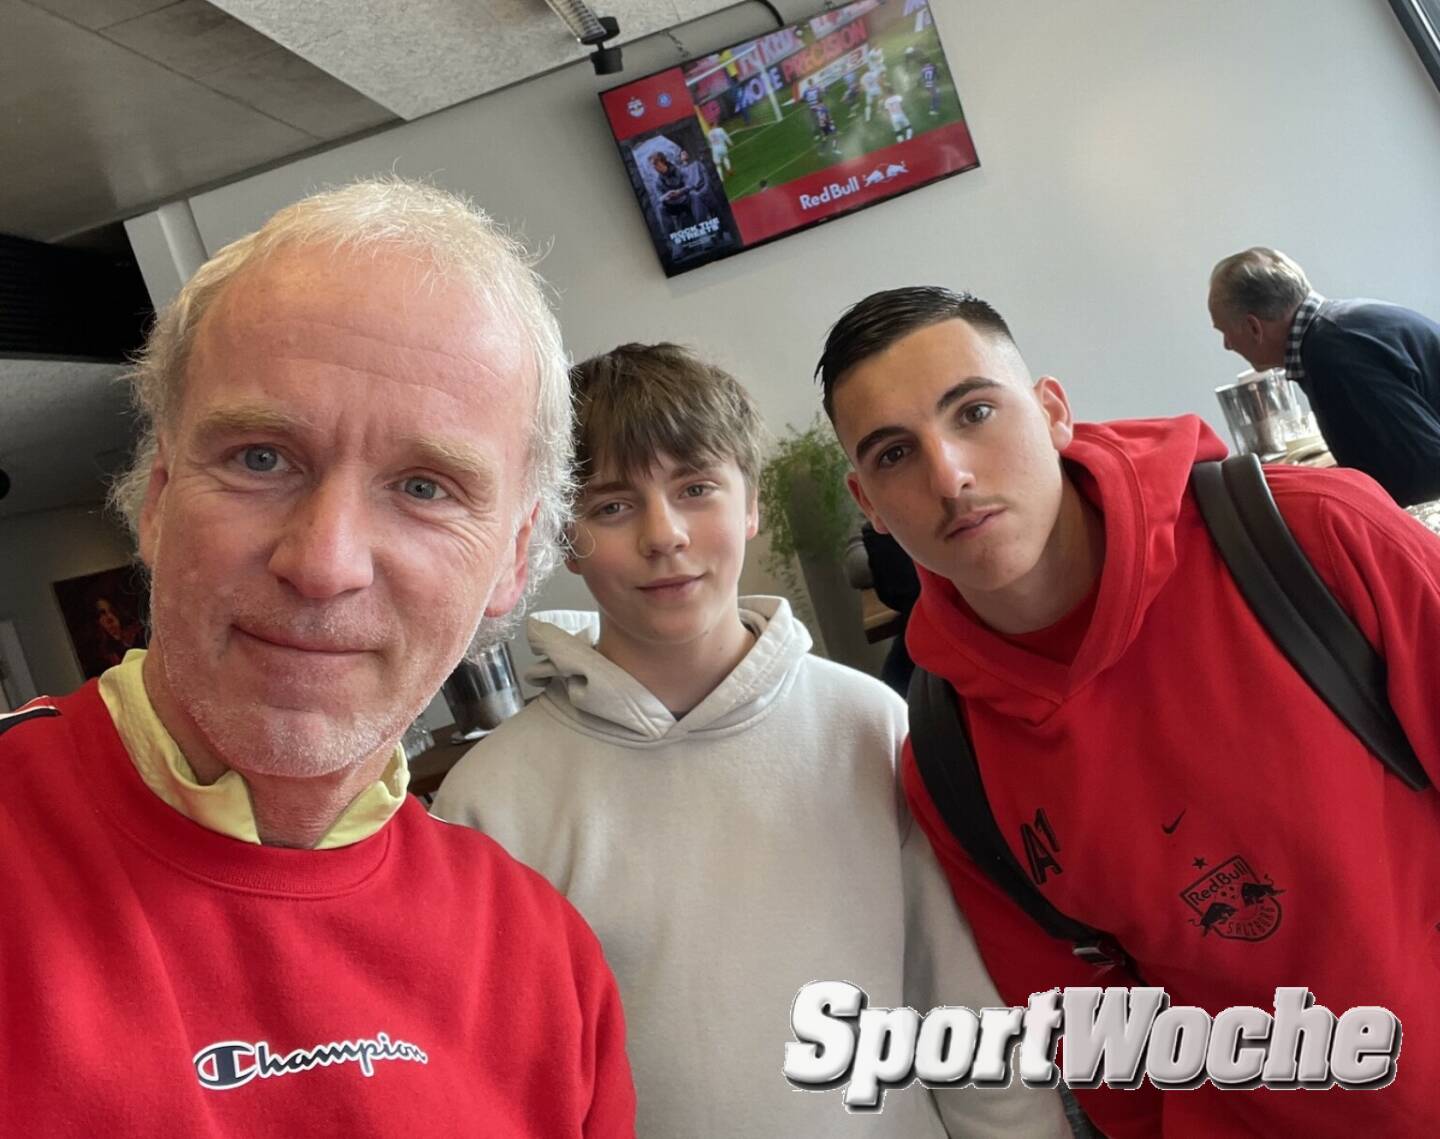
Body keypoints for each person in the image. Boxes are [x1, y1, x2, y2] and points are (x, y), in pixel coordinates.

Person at [0, 179, 635, 1137]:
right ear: (160, 498)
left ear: (513, 557)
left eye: (424, 486)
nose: (324, 563)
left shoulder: (545, 961)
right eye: (261, 457)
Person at [817, 285, 1440, 1137]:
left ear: (1053, 413)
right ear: (870, 506)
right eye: (894, 454)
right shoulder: (945, 750)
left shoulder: (1318, 537)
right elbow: (1106, 1053)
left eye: (974, 412)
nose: (949, 475)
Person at [433, 343, 1066, 1139]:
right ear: (563, 532)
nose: (664, 535)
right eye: (613, 506)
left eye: (696, 488)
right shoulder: (490, 803)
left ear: (751, 502)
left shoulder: (870, 725)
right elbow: (498, 1083)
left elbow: (964, 1004)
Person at [1208, 246, 1440, 506]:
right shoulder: (1336, 326)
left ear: (1254, 327)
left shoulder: (1332, 353)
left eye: (1224, 331)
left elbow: (1422, 476)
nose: (1227, 344)